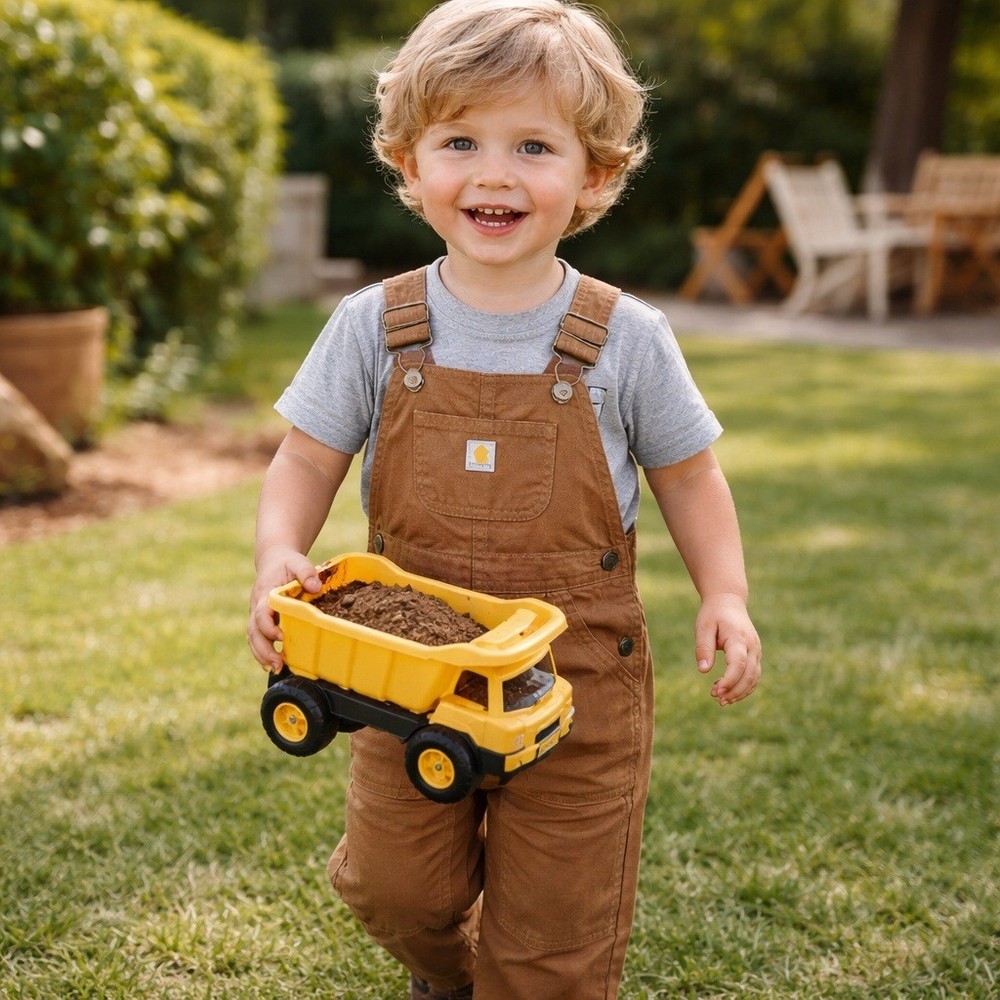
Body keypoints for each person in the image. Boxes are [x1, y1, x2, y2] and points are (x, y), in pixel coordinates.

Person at [247, 1, 761, 996]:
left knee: (553, 940)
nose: (493, 173)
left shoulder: (626, 337)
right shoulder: (373, 326)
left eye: (533, 144)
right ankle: (459, 974)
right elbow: (305, 459)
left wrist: (725, 594)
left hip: (571, 685)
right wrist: (277, 553)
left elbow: (690, 474)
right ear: (409, 163)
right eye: (460, 141)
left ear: (594, 175)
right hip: (408, 678)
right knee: (390, 887)